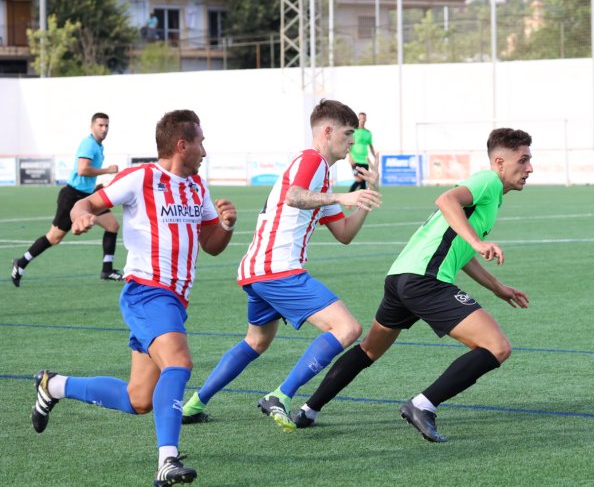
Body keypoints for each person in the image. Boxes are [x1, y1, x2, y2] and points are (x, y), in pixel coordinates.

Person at [30, 110, 238, 486]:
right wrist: (80, 215)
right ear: (181, 145)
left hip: (175, 301)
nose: (205, 150)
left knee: (138, 399)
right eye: (201, 142)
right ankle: (167, 460)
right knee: (179, 362)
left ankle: (53, 385)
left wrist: (225, 226)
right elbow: (87, 203)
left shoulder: (196, 188)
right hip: (147, 293)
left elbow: (211, 245)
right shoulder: (142, 178)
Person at [291, 127, 533, 443]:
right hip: (424, 280)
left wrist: (497, 286)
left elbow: (460, 249)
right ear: (500, 162)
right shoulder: (487, 181)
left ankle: (309, 409)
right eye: (523, 160)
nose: (529, 168)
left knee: (368, 350)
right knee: (496, 347)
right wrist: (476, 241)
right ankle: (423, 405)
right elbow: (446, 199)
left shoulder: (491, 197)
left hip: (401, 277)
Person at [180, 99, 382, 432]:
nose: (351, 144)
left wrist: (367, 192)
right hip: (278, 268)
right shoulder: (312, 159)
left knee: (256, 342)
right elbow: (294, 196)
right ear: (327, 131)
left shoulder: (324, 180)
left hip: (259, 269)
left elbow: (344, 233)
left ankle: (193, 405)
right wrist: (341, 197)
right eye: (347, 134)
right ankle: (281, 395)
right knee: (347, 328)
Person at [11, 112, 122, 288]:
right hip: (72, 197)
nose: (104, 129)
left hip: (86, 196)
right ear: (92, 126)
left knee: (112, 225)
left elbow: (86, 175)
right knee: (54, 238)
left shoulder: (99, 146)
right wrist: (107, 170)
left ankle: (107, 270)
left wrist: (95, 188)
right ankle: (21, 262)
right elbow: (82, 170)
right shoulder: (88, 144)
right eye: (100, 125)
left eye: (106, 125)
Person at [347, 112, 377, 192]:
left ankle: (360, 202)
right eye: (360, 119)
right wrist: (350, 157)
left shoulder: (368, 133)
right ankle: (348, 197)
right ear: (358, 119)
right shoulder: (354, 131)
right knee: (359, 180)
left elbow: (371, 146)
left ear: (366, 120)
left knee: (364, 182)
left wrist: (375, 157)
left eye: (363, 118)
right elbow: (349, 144)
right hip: (355, 159)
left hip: (365, 160)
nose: (362, 120)